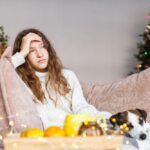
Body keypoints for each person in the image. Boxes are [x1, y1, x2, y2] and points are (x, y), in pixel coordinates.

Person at [11, 28, 111, 129]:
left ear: (48, 49)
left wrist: (104, 119)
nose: (40, 54)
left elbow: (81, 107)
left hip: (75, 130)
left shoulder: (67, 76)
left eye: (42, 47)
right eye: (31, 50)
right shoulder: (19, 81)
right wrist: (22, 53)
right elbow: (3, 73)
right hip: (48, 135)